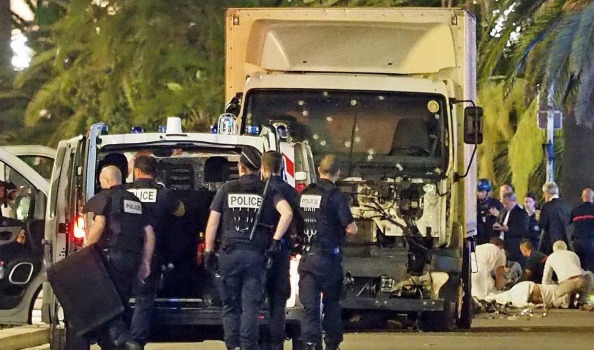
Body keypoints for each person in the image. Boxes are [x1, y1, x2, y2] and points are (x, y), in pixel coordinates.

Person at [203, 147, 293, 350]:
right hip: (256, 255)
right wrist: (275, 240)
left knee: (230, 305)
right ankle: (248, 346)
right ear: (259, 168)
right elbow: (287, 213)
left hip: (230, 254)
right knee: (250, 306)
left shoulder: (226, 189)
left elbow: (213, 223)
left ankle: (232, 345)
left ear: (240, 167)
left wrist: (208, 251)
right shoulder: (268, 189)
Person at [83, 165, 155, 350]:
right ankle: (115, 344)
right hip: (132, 258)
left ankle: (124, 338)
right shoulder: (135, 201)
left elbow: (99, 226)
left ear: (106, 181)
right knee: (121, 301)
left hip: (110, 257)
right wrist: (146, 261)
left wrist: (84, 251)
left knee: (104, 300)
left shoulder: (105, 198)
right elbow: (149, 233)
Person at [297, 155, 357, 350]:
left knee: (310, 308)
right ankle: (332, 344)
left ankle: (310, 344)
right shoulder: (336, 196)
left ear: (318, 169)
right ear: (338, 173)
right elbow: (352, 229)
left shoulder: (304, 193)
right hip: (328, 260)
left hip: (307, 259)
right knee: (331, 305)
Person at [128, 155, 185, 347]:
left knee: (121, 297)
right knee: (144, 300)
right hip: (153, 254)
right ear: (155, 173)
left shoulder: (126, 192)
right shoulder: (164, 194)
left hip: (126, 251)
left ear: (136, 171)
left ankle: (117, 338)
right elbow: (181, 212)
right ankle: (136, 341)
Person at [260, 151, 298, 350]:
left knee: (255, 298)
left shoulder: (261, 189)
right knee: (278, 300)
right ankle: (276, 344)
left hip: (259, 250)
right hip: (281, 251)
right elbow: (297, 220)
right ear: (281, 167)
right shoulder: (290, 191)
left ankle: (260, 341)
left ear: (264, 168)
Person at [493, 192, 529, 266]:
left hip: (514, 247)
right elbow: (499, 221)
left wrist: (508, 230)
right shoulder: (503, 211)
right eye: (503, 203)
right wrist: (497, 225)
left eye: (506, 203)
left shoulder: (521, 214)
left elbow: (523, 231)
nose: (504, 206)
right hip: (501, 244)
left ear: (513, 201)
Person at [538, 182, 572, 255]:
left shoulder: (546, 206)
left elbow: (542, 225)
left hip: (551, 243)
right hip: (566, 241)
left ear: (547, 193)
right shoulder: (566, 205)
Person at [569, 188, 594, 271]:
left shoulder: (575, 210)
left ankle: (582, 283)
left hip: (578, 243)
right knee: (592, 267)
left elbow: (568, 223)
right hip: (591, 242)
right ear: (592, 198)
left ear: (582, 197)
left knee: (580, 266)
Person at [476, 179, 504, 245]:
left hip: (493, 240)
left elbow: (506, 220)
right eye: (478, 191)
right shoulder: (474, 204)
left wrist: (498, 215)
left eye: (482, 191)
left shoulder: (496, 204)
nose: (479, 193)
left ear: (487, 192)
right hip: (478, 240)